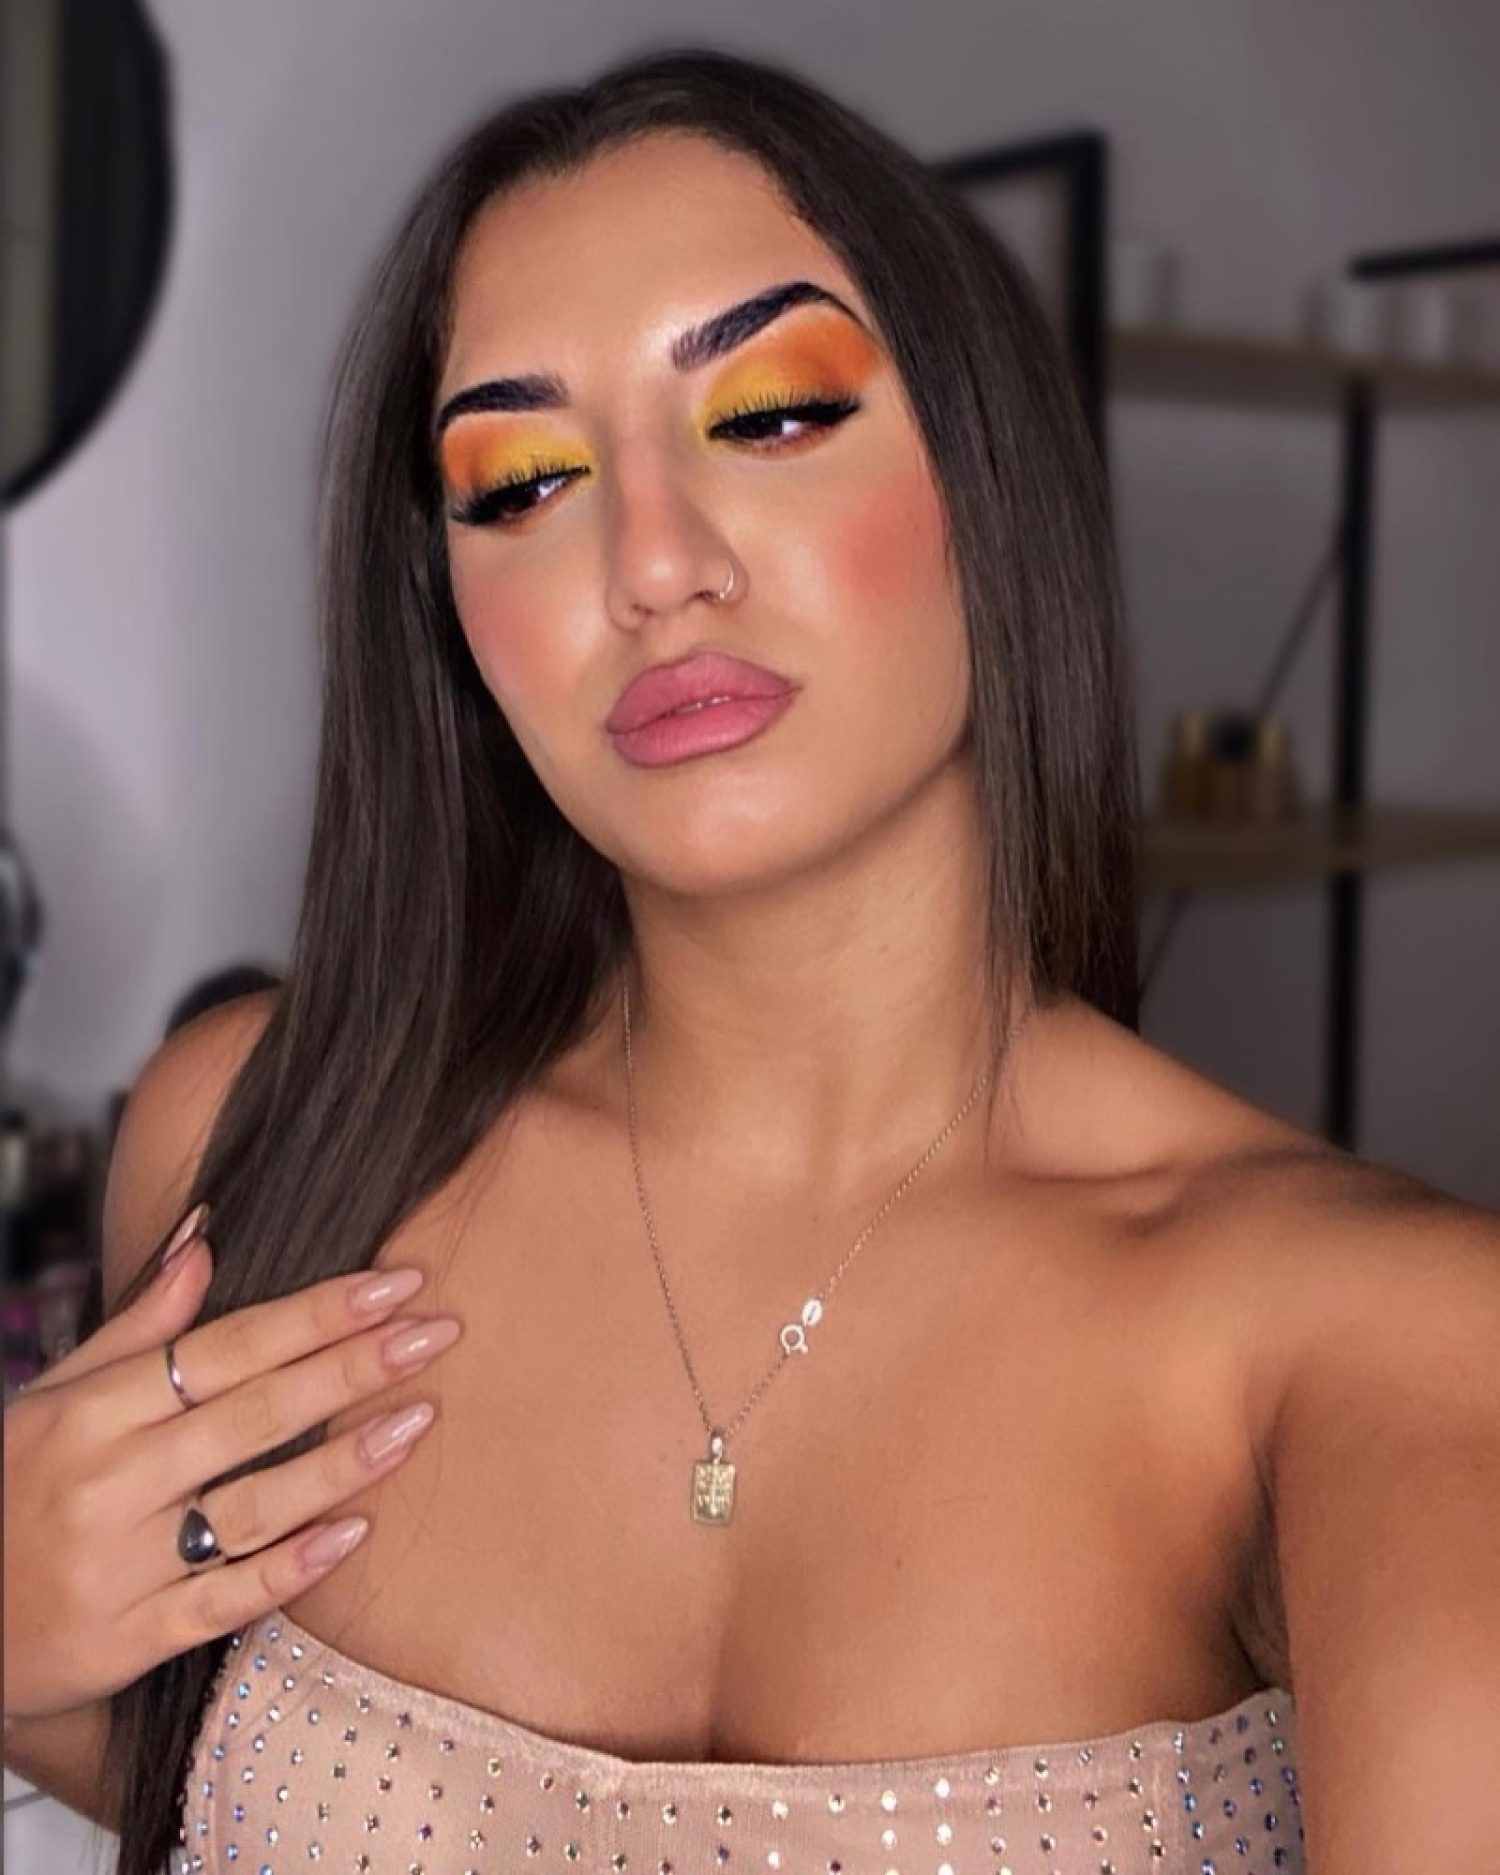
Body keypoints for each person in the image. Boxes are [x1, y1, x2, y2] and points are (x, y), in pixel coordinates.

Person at [5, 44, 1498, 1875]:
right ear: (450, 611)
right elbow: (219, 1791)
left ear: (987, 472)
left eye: (773, 414)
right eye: (523, 480)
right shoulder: (261, 1140)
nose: (652, 564)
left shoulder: (1379, 1346)